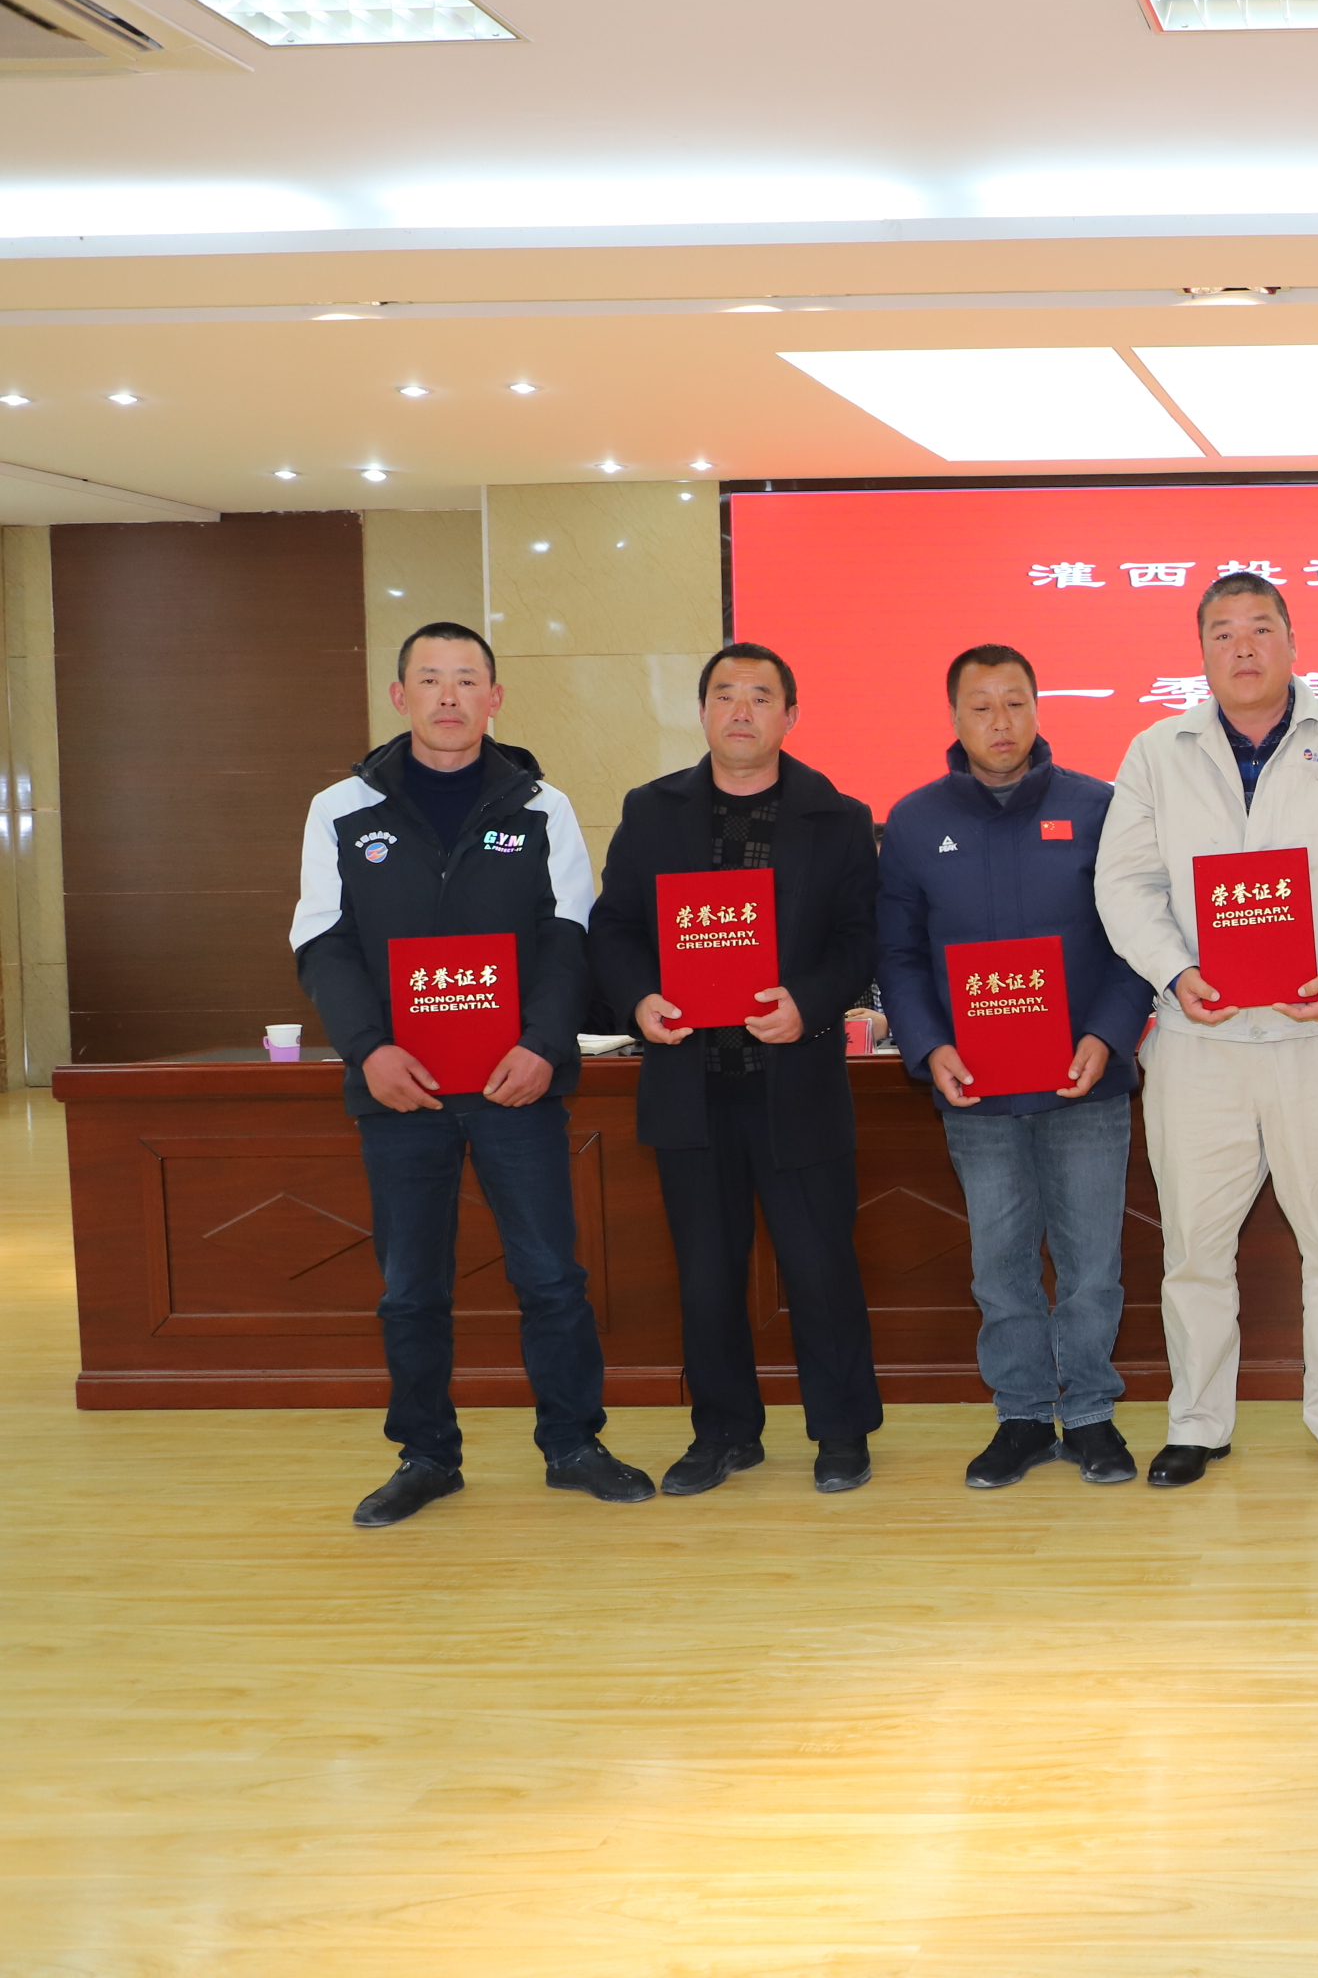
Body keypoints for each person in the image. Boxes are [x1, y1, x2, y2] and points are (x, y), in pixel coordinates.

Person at [292, 621, 649, 1527]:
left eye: (466, 679)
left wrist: (543, 1044)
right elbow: (323, 942)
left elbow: (569, 936)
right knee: (411, 1287)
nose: (448, 696)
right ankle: (426, 1456)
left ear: (495, 698)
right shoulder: (341, 807)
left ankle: (572, 1444)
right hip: (399, 1087)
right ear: (399, 696)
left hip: (514, 1083)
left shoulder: (542, 806)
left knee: (551, 1276)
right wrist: (369, 1049)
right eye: (430, 679)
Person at [1094, 572, 1318, 1492]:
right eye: (1223, 632)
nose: (1243, 647)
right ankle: (1197, 1422)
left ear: (1291, 641)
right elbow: (1124, 883)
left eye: (1260, 629)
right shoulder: (1156, 751)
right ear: (1201, 650)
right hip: (1199, 1041)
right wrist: (1175, 970)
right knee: (1194, 1251)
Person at [592, 643, 885, 1495]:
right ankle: (723, 1433)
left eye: (761, 696)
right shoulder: (653, 812)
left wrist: (810, 1003)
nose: (742, 711)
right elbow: (613, 928)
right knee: (707, 1276)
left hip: (796, 1082)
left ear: (791, 715)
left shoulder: (838, 816)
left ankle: (841, 1432)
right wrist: (640, 999)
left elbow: (859, 940)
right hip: (692, 1083)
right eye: (725, 695)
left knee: (820, 1268)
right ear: (702, 712)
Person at [878, 644, 1154, 1490]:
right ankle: (1024, 1416)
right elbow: (899, 954)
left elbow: (1135, 940)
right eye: (981, 706)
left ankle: (1093, 1414)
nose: (1001, 722)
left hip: (1085, 1081)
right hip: (977, 1089)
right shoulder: (914, 822)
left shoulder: (1100, 808)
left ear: (1038, 708)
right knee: (999, 1266)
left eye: (1015, 703)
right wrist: (930, 1046)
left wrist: (1108, 1034)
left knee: (1091, 1264)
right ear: (954, 718)